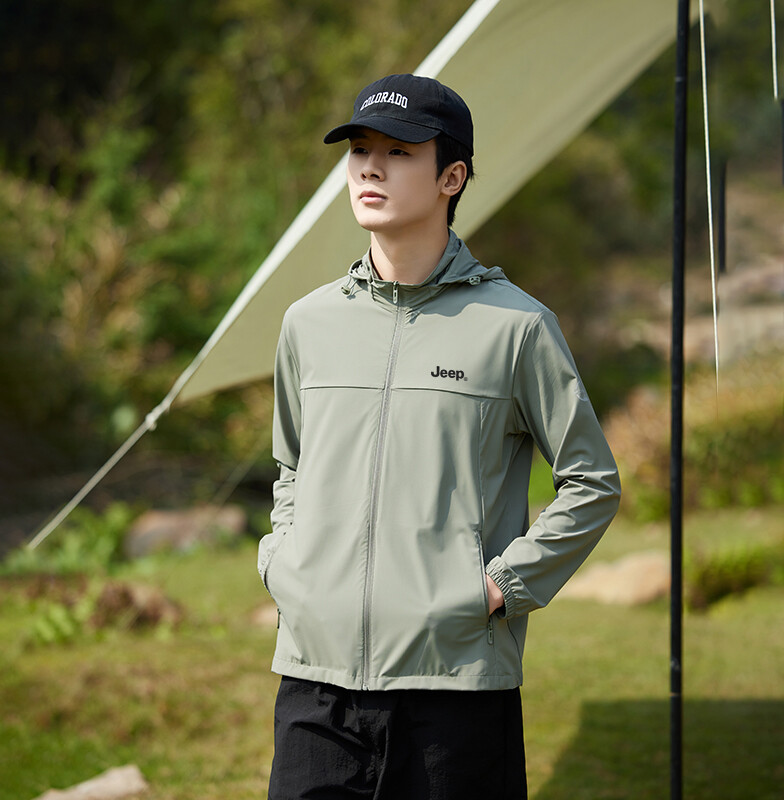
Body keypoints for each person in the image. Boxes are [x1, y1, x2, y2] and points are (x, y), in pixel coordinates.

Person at [258, 73, 621, 799]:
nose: (370, 167)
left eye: (398, 152)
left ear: (451, 177)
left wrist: (498, 586)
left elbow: (592, 482)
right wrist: (284, 565)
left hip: (457, 688)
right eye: (360, 149)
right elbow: (291, 466)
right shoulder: (308, 323)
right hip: (316, 688)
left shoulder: (517, 327)